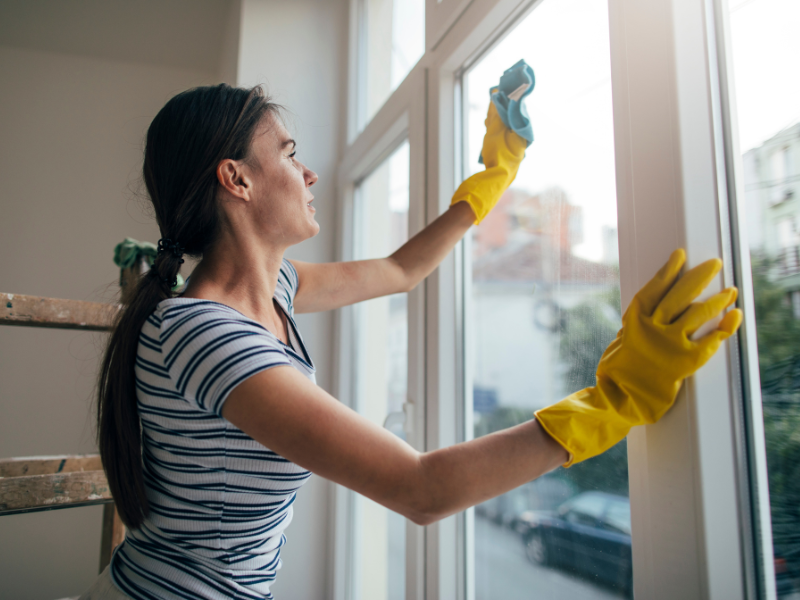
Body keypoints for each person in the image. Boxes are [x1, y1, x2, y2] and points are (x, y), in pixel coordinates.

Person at [83, 84, 741, 600]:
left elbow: (401, 271)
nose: (308, 174)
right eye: (288, 153)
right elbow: (421, 488)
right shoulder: (208, 336)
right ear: (237, 179)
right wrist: (615, 401)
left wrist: (493, 178)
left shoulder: (273, 289)